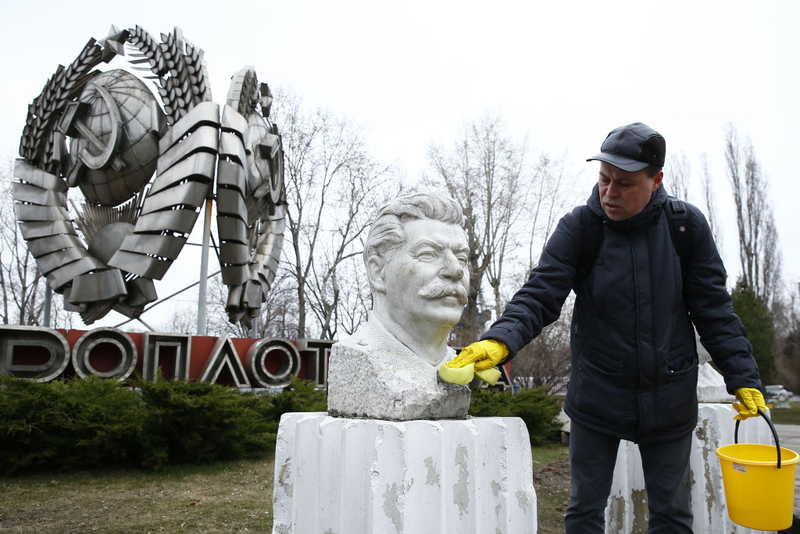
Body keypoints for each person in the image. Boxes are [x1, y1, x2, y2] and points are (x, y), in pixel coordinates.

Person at [440, 122, 766, 532]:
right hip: (598, 396)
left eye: (624, 183)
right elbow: (541, 295)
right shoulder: (581, 228)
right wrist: (499, 341)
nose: (609, 193)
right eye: (603, 179)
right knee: (583, 513)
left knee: (672, 515)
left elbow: (715, 310)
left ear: (656, 179)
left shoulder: (685, 229)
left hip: (670, 396)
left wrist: (743, 376)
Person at [327, 192, 473, 420]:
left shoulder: (454, 365)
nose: (456, 270)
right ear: (378, 272)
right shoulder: (357, 357)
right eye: (428, 255)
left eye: (462, 258)